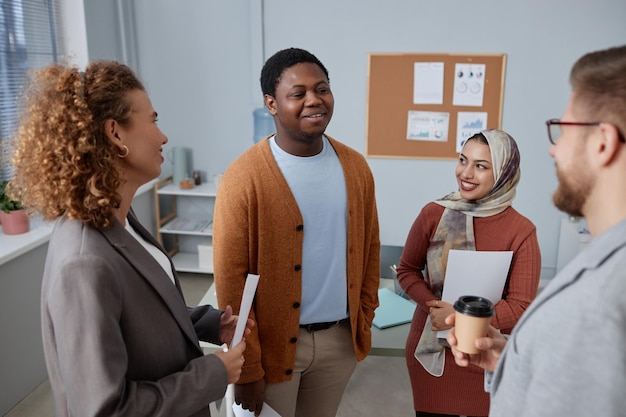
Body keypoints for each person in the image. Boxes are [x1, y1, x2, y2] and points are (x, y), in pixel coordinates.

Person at [7, 60, 253, 417]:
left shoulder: (119, 218)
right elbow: (107, 410)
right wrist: (212, 373)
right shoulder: (83, 262)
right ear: (116, 134)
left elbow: (141, 309)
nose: (163, 136)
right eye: (153, 120)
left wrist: (210, 323)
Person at [447, 44, 626, 416]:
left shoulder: (604, 297)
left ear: (603, 143)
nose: (554, 150)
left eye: (563, 130)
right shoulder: (604, 257)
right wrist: (511, 361)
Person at [212, 47, 380, 417]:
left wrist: (364, 314)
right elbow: (231, 283)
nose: (314, 100)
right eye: (298, 93)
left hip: (339, 341)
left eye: (322, 89)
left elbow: (369, 246)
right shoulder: (243, 178)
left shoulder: (354, 167)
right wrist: (248, 365)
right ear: (272, 103)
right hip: (271, 348)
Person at [396, 129, 541, 417]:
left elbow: (521, 304)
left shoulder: (522, 231)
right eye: (463, 160)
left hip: (486, 352)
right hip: (433, 349)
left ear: (503, 173)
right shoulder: (433, 214)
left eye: (481, 166)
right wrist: (432, 306)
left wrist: (460, 320)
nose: (466, 173)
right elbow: (407, 271)